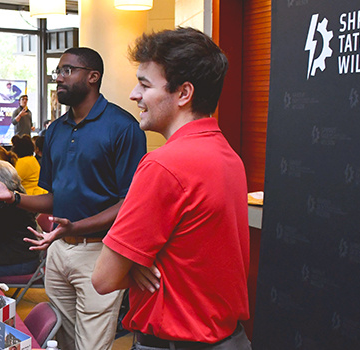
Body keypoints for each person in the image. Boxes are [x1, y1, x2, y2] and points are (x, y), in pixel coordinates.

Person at [0, 47, 147, 350]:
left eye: (68, 71)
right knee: (62, 341)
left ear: (93, 76)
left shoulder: (122, 127)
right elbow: (53, 198)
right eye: (57, 72)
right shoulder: (55, 131)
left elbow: (130, 203)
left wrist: (75, 228)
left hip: (100, 253)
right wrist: (11, 197)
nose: (59, 78)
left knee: (91, 345)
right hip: (58, 251)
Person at [92, 27, 252, 350]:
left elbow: (103, 278)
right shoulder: (229, 157)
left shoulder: (162, 165)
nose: (134, 94)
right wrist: (137, 264)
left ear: (183, 93)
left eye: (144, 84)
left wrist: (133, 264)